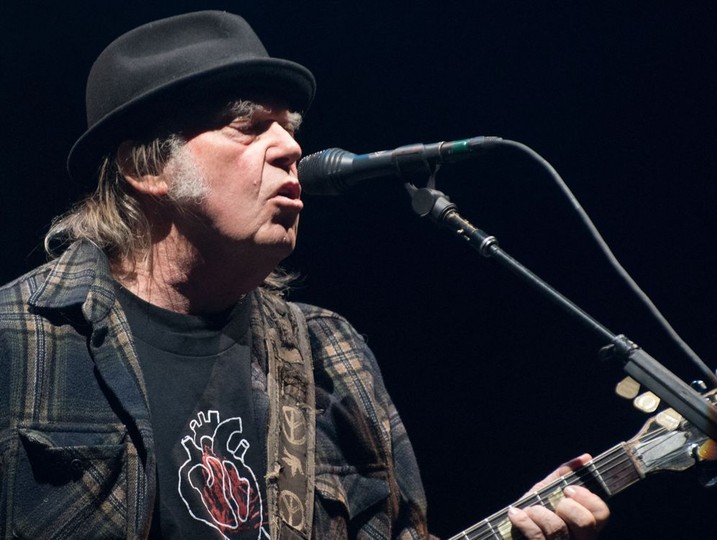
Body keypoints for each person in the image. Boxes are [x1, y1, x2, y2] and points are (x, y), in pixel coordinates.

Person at [0, 10, 609, 539]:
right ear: (148, 168)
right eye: (249, 127)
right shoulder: (19, 341)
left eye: (288, 128)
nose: (289, 147)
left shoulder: (329, 352)